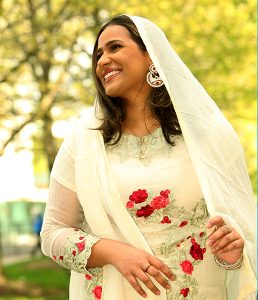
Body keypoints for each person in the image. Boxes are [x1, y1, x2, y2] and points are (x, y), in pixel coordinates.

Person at [41, 15, 256, 300]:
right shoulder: (84, 143)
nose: (102, 60)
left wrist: (231, 254)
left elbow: (243, 234)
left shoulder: (208, 138)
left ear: (151, 55)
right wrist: (114, 252)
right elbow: (52, 234)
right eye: (98, 54)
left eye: (114, 47)